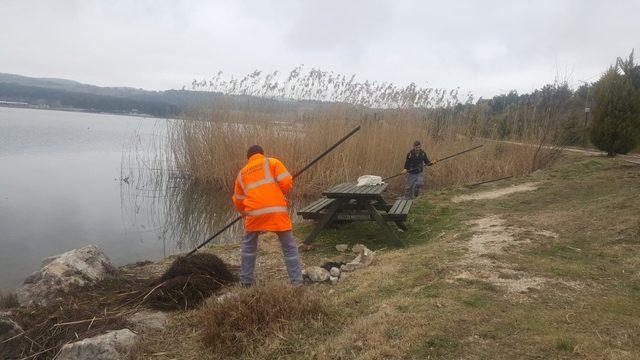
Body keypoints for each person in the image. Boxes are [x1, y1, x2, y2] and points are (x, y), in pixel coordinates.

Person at [232, 145, 303, 287]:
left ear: (248, 158)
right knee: (289, 246)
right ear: (262, 154)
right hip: (277, 211)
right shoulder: (273, 162)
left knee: (249, 247)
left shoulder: (241, 174)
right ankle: (296, 281)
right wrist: (279, 193)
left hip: (254, 214)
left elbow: (238, 200)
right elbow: (286, 182)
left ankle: (246, 281)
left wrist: (244, 214)